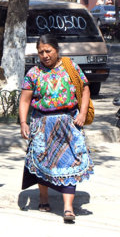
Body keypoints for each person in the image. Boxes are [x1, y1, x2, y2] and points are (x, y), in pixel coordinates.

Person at [19, 34, 94, 223]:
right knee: (43, 162)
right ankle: (43, 199)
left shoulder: (71, 67)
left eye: (48, 51)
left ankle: (68, 208)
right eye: (40, 52)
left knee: (72, 163)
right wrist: (23, 122)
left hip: (70, 122)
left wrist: (83, 114)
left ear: (57, 50)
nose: (44, 55)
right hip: (42, 124)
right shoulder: (33, 73)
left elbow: (85, 89)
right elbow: (25, 99)